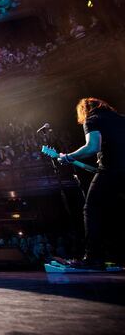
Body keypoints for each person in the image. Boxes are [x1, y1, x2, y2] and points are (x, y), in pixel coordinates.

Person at [58, 97, 125, 268]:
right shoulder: (121, 118)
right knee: (115, 211)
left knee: (92, 209)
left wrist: (68, 157)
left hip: (112, 170)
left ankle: (93, 257)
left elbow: (92, 146)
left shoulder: (92, 119)